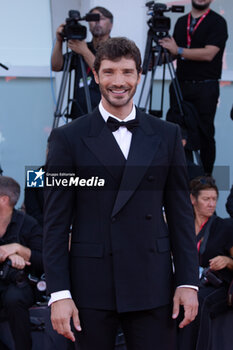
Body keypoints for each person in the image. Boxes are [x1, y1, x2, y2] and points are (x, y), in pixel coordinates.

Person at [43, 37, 199, 350]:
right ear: (96, 75)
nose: (119, 81)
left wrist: (187, 281)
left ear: (139, 76)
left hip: (153, 284)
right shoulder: (67, 138)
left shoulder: (167, 134)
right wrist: (59, 293)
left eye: (127, 72)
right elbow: (55, 223)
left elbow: (181, 212)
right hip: (91, 286)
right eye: (110, 72)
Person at [159, 0, 228, 175]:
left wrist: (179, 50)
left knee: (204, 134)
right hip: (181, 85)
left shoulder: (218, 22)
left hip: (205, 88)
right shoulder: (182, 21)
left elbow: (209, 54)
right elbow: (173, 52)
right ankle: (178, 177)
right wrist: (156, 59)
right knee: (177, 133)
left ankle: (204, 180)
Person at [177, 176, 233, 350]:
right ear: (193, 200)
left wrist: (227, 260)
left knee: (200, 302)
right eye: (206, 199)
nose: (211, 204)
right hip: (188, 281)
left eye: (214, 199)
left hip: (217, 285)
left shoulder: (224, 227)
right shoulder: (181, 226)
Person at [0, 176, 43, 350]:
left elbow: (44, 260)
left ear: (3, 200)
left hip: (19, 283)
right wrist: (8, 255)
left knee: (14, 299)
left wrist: (20, 249)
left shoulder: (28, 224)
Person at [51, 6, 113, 119]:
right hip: (79, 115)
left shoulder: (117, 48)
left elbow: (106, 74)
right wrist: (59, 42)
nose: (97, 22)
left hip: (105, 116)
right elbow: (56, 66)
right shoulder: (82, 47)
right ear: (88, 24)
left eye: (102, 18)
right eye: (93, 19)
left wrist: (84, 52)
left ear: (111, 25)